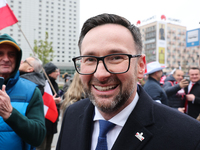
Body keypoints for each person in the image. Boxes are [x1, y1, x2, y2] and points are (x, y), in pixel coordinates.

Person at [56, 13, 200, 150]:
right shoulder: (72, 114)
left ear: (140, 66)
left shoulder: (188, 136)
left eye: (116, 58)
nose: (100, 74)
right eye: (90, 59)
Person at [0, 34, 46, 150]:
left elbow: (38, 137)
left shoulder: (31, 91)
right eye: (0, 53)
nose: (6, 59)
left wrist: (11, 114)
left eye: (11, 54)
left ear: (17, 59)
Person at [42, 62, 61, 150]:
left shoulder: (55, 84)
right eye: (56, 71)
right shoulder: (42, 84)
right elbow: (37, 99)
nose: (58, 73)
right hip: (43, 121)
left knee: (48, 146)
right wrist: (51, 101)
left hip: (52, 120)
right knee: (41, 146)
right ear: (50, 73)